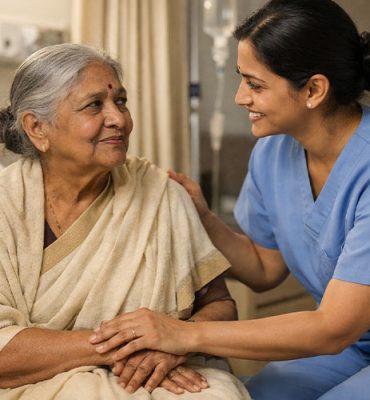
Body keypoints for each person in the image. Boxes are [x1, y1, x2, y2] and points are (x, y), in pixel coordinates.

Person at [89, 0, 370, 399]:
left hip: (341, 335)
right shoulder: (274, 154)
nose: (240, 97)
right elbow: (263, 267)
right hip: (354, 347)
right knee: (254, 393)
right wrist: (203, 217)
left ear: (313, 90)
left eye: (255, 85)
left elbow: (333, 327)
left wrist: (185, 335)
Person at [0, 43, 251, 399]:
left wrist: (174, 343)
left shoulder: (162, 194)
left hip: (161, 376)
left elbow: (222, 307)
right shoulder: (7, 205)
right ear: (37, 128)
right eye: (94, 105)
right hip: (40, 383)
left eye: (121, 101)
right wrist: (129, 346)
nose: (119, 118)